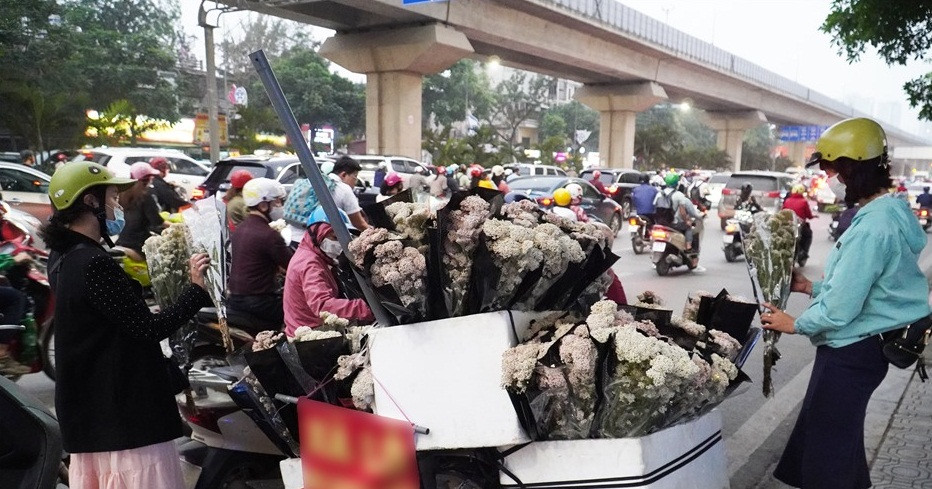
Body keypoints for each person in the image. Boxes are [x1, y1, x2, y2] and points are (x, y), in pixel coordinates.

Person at [760, 117, 931, 489]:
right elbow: (871, 287)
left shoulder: (872, 226)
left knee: (827, 455)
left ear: (853, 168)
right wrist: (809, 287)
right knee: (839, 443)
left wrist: (796, 323)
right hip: (864, 348)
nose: (828, 179)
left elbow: (842, 307)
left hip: (852, 352)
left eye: (831, 169)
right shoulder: (888, 211)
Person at [41, 161, 211, 489]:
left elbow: (112, 324)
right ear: (90, 202)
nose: (117, 203)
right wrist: (195, 290)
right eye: (111, 196)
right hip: (123, 422)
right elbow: (147, 329)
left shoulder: (62, 258)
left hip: (96, 417)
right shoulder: (93, 264)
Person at [283, 207, 374, 337]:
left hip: (308, 327)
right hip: (311, 334)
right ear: (317, 233)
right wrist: (366, 308)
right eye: (334, 237)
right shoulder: (310, 264)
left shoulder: (313, 255)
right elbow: (322, 306)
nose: (338, 243)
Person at [227, 178, 294, 327]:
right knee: (302, 312)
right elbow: (293, 266)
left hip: (235, 300)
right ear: (263, 205)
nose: (280, 206)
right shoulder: (269, 235)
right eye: (276, 202)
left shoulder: (241, 229)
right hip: (260, 304)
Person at [114, 162, 167, 261]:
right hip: (139, 246)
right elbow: (157, 222)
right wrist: (178, 226)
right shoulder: (145, 196)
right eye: (151, 178)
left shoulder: (122, 193)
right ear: (146, 180)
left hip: (122, 241)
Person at [656, 173, 702, 250]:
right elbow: (683, 212)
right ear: (676, 184)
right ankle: (688, 246)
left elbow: (655, 208)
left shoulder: (659, 194)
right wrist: (687, 221)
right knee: (688, 227)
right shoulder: (679, 195)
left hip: (660, 223)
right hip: (674, 224)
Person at [328, 156, 370, 231]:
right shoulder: (344, 189)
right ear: (343, 175)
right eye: (355, 176)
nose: (356, 181)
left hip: (304, 234)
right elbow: (359, 224)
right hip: (325, 238)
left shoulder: (320, 181)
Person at [783, 184, 815, 261]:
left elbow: (783, 212)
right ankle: (804, 253)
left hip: (787, 225)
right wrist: (812, 216)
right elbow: (808, 215)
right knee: (808, 235)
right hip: (799, 226)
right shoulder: (804, 202)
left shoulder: (787, 200)